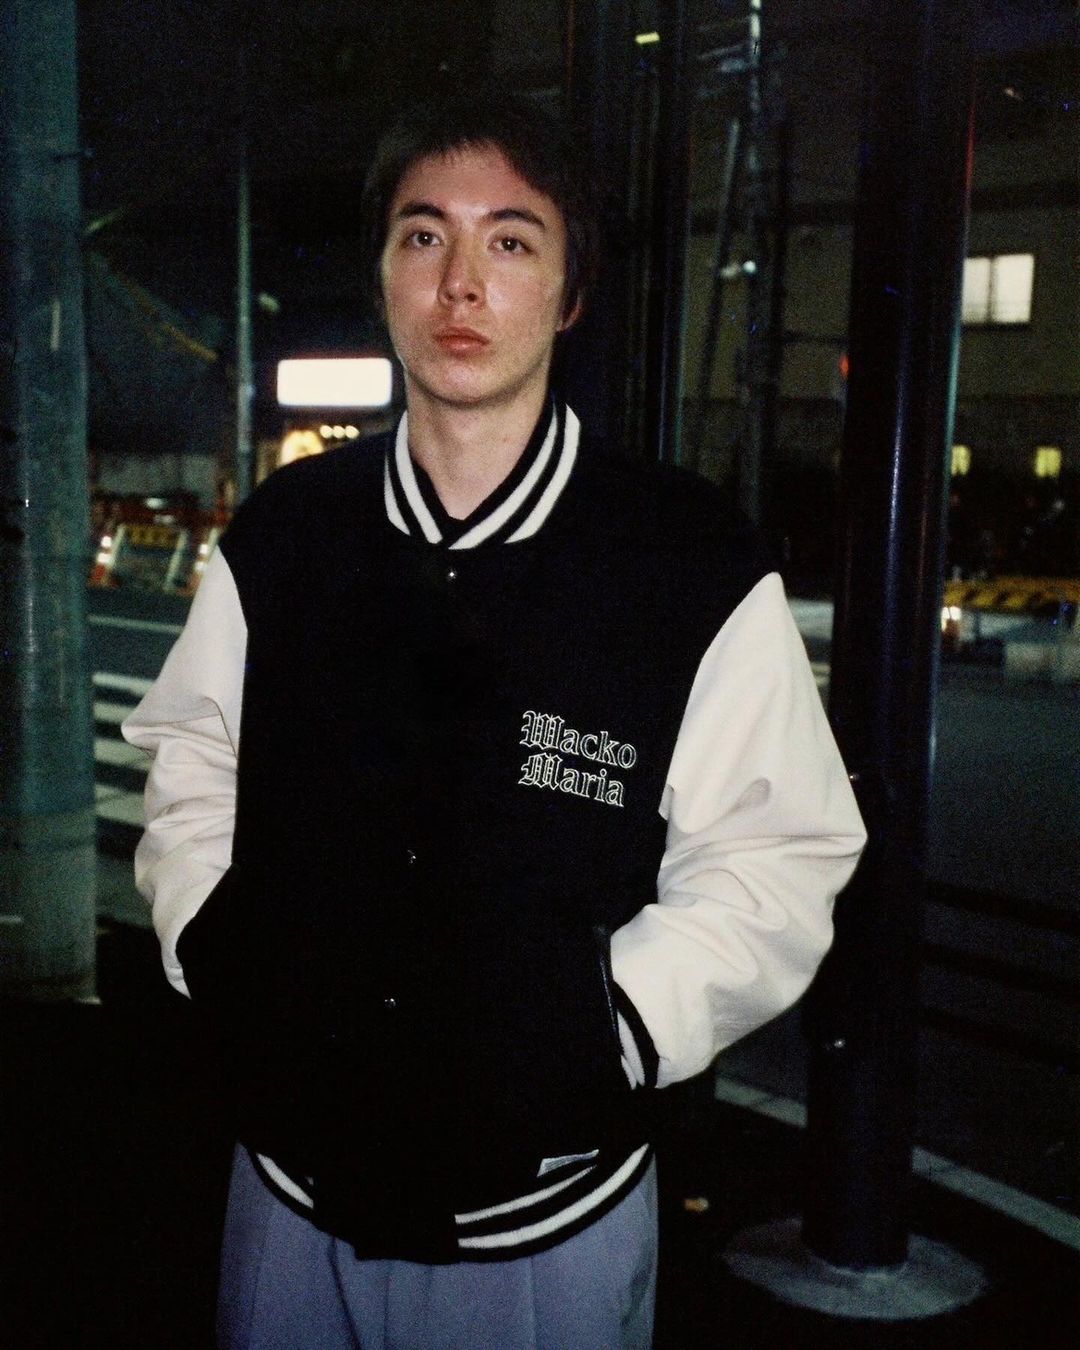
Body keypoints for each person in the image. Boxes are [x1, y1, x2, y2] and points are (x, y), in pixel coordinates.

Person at [124, 92, 865, 1350]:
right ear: (382, 275)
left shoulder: (685, 561)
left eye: (511, 240)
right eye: (424, 236)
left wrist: (604, 1029)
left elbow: (779, 855)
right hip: (284, 1193)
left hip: (549, 1228)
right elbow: (192, 755)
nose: (460, 282)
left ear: (570, 294)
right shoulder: (287, 535)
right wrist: (216, 942)